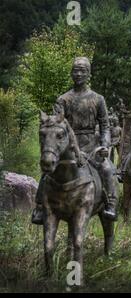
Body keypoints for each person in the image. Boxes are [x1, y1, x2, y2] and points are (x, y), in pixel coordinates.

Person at [31, 57, 118, 224]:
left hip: (91, 146)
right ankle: (40, 207)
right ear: (71, 73)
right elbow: (56, 124)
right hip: (67, 147)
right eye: (76, 70)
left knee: (107, 168)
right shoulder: (63, 99)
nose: (79, 74)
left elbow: (105, 126)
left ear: (89, 74)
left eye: (83, 71)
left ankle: (110, 204)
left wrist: (105, 145)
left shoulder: (98, 99)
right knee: (47, 170)